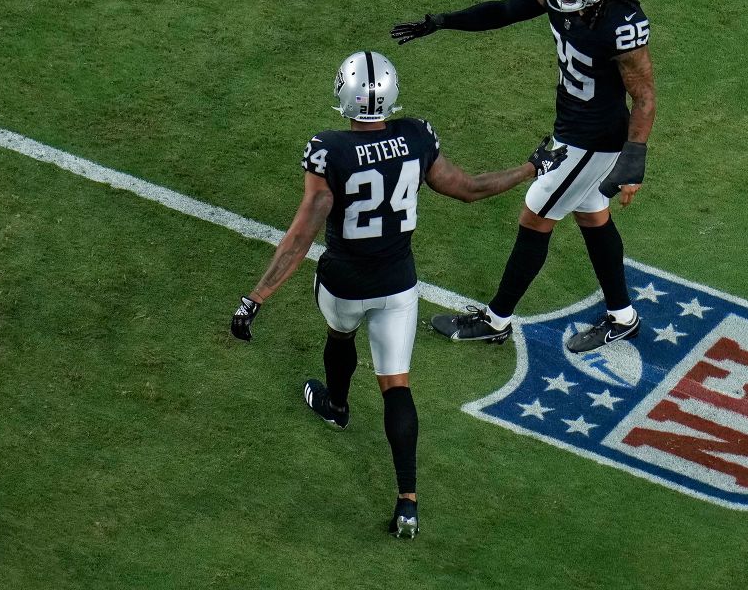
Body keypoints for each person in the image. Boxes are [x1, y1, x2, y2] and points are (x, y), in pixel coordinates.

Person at [229, 51, 567, 538]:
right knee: (397, 385)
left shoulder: (330, 149)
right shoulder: (414, 135)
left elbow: (302, 233)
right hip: (399, 286)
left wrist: (255, 297)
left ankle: (337, 407)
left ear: (343, 95)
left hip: (345, 283)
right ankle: (407, 502)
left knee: (339, 333)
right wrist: (530, 167)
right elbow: (468, 189)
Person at [390, 0, 658, 354]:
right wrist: (444, 22)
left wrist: (634, 159)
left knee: (536, 213)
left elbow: (643, 96)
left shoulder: (621, 24)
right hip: (574, 126)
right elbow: (508, 9)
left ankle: (497, 320)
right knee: (592, 216)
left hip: (593, 139)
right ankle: (623, 317)